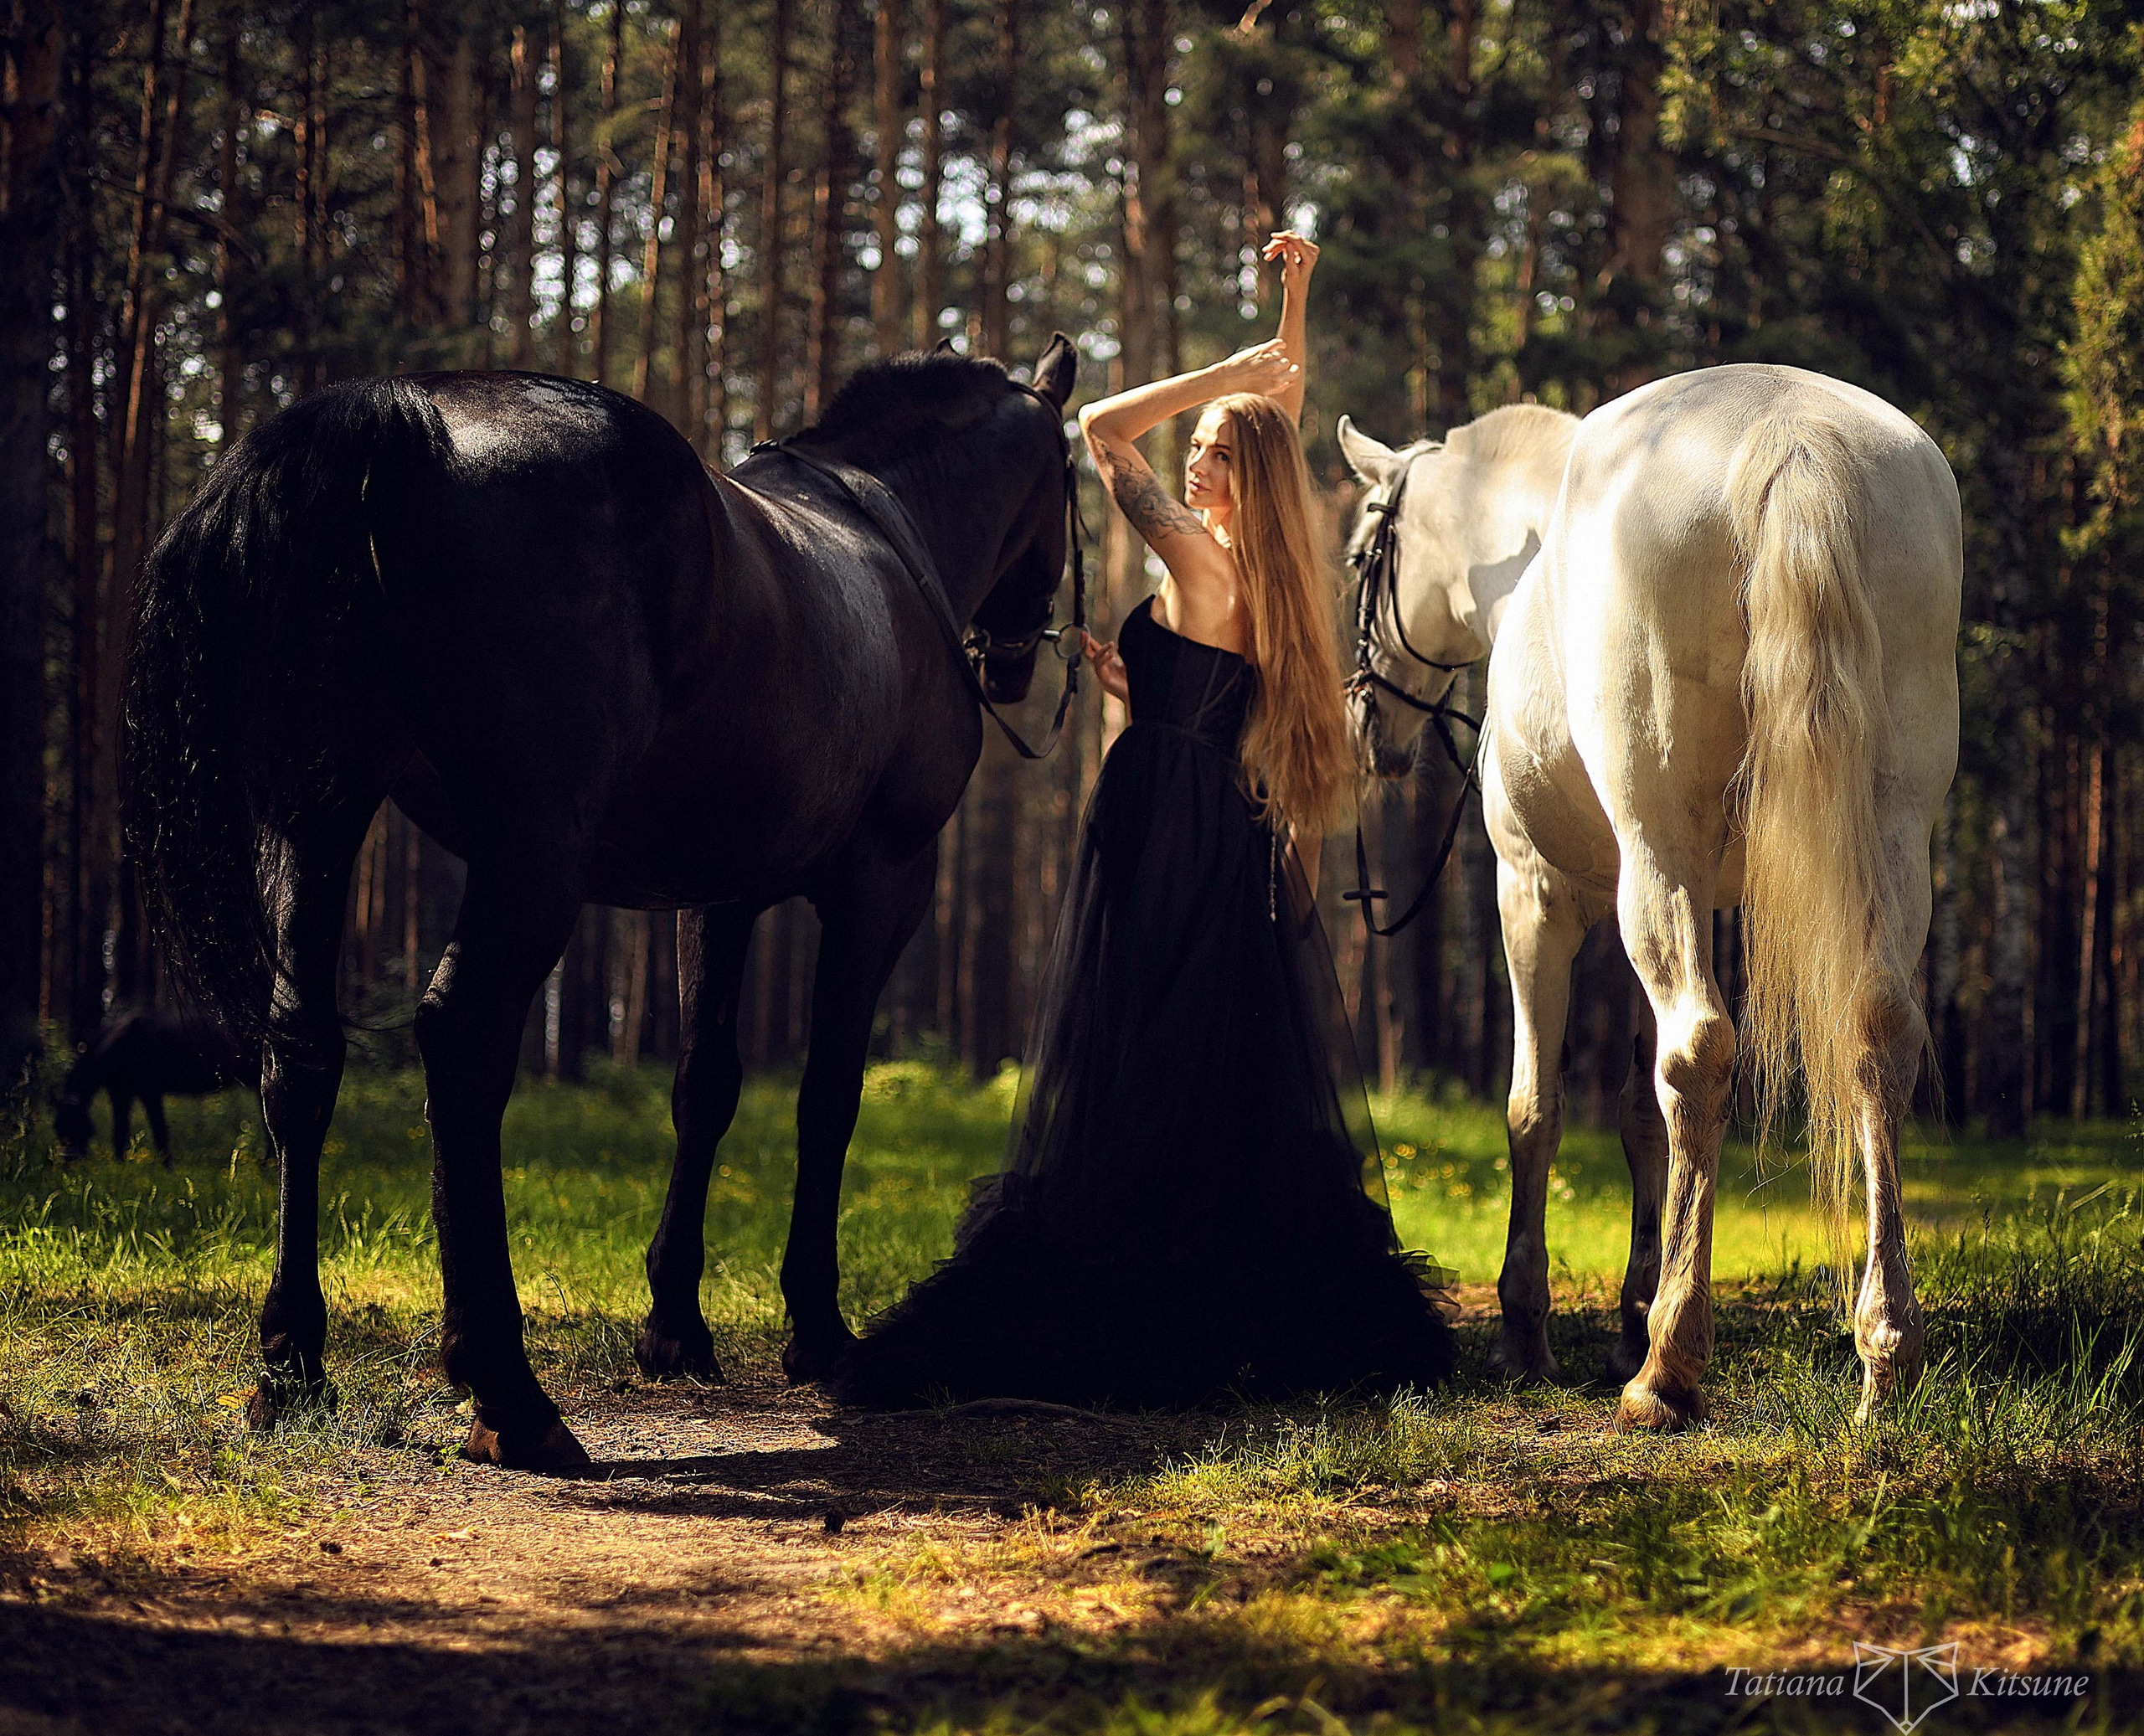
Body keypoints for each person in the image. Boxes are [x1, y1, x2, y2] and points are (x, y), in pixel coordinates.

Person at [829, 233, 1453, 1408]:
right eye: (1202, 452)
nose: (1199, 461)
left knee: (1135, 1057)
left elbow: (1102, 427)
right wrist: (1293, 300)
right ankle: (1196, 1279)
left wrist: (1224, 372)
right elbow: (1290, 404)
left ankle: (1130, 1290)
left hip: (1163, 827)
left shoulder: (1202, 568)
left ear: (1245, 479)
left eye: (1215, 453)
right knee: (1181, 1062)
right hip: (1203, 827)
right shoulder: (1258, 583)